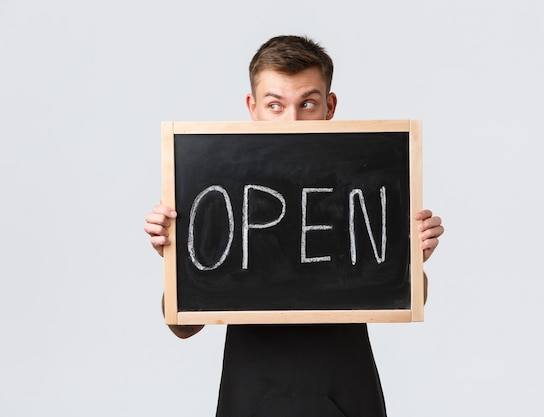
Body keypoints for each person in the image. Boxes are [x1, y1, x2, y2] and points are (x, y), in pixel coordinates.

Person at [144, 35, 444, 417]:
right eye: (275, 105)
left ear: (329, 106)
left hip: (346, 394)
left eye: (307, 104)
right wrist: (176, 261)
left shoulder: (361, 179)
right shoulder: (220, 188)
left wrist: (409, 261)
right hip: (251, 393)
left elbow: (408, 299)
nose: (292, 120)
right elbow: (183, 329)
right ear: (253, 108)